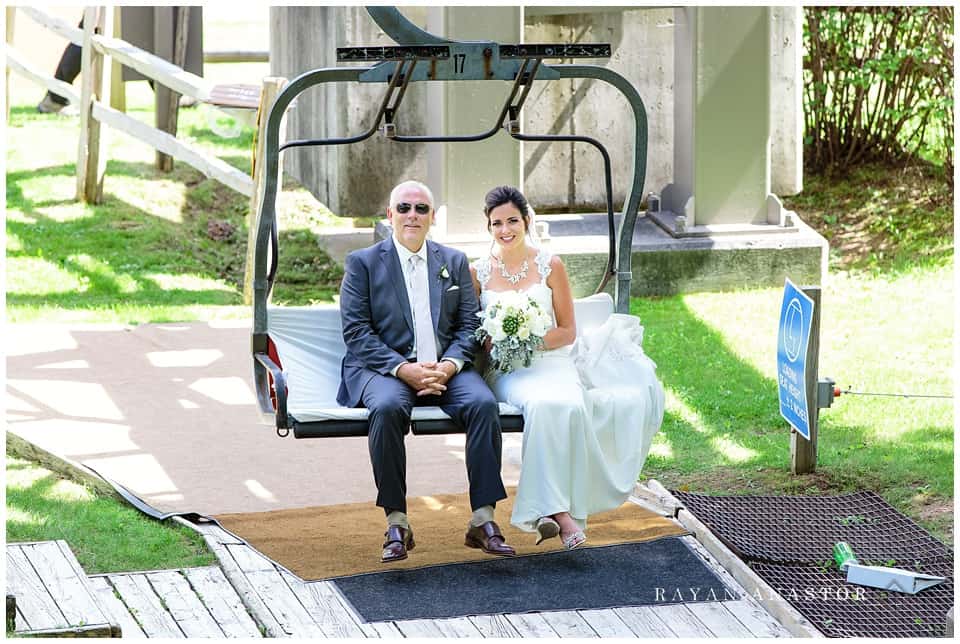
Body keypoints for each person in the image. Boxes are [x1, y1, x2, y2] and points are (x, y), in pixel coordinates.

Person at [470, 185, 664, 550]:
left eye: (512, 220)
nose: (505, 229)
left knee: (572, 405)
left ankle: (548, 510)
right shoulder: (477, 272)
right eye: (497, 223)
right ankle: (561, 515)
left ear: (526, 220)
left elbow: (568, 332)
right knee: (543, 406)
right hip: (509, 370)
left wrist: (531, 339)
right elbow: (473, 331)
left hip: (553, 362)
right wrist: (501, 342)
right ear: (489, 228)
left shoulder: (550, 265)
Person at [337, 180, 516, 564]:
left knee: (484, 405)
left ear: (433, 217)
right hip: (384, 369)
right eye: (403, 208)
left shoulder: (452, 262)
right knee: (385, 410)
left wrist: (449, 365)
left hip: (445, 368)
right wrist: (404, 369)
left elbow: (470, 325)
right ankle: (397, 521)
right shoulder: (363, 263)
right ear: (390, 215)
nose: (412, 215)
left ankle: (483, 518)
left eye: (421, 209)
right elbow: (356, 332)